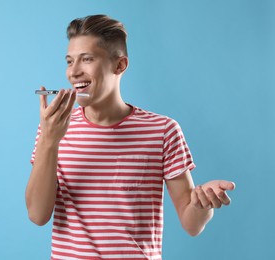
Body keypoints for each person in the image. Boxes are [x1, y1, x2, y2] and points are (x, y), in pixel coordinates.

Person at [26, 14, 235, 260]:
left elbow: (192, 225)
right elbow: (38, 216)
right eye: (69, 61)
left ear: (120, 65)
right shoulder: (53, 128)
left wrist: (203, 205)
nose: (74, 72)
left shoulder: (163, 131)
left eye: (87, 59)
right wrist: (50, 141)